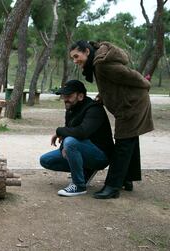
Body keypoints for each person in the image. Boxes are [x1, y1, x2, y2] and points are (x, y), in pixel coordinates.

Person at [69, 40, 154, 199]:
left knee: (123, 143)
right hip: (129, 104)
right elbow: (112, 83)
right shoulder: (97, 63)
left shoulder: (101, 64)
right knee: (130, 140)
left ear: (87, 51)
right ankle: (127, 180)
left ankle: (112, 186)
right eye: (72, 58)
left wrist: (145, 83)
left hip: (132, 106)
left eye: (76, 56)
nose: (75, 60)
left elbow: (130, 75)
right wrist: (103, 96)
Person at [40, 80, 114, 197]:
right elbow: (70, 131)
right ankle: (86, 170)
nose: (65, 99)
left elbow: (82, 132)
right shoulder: (71, 109)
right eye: (64, 96)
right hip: (82, 149)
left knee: (70, 142)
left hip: (100, 156)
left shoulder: (94, 109)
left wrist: (60, 132)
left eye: (69, 96)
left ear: (80, 96)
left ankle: (79, 185)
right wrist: (64, 143)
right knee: (46, 160)